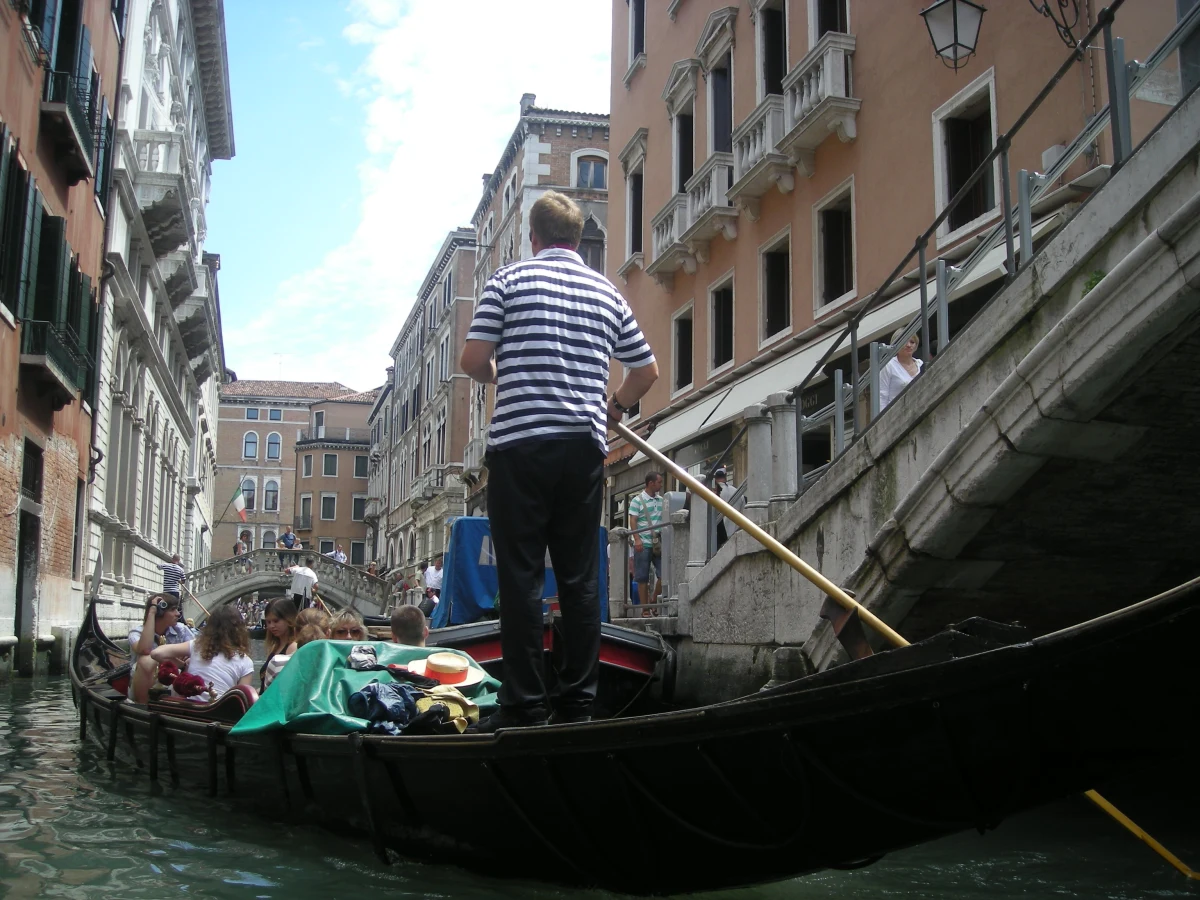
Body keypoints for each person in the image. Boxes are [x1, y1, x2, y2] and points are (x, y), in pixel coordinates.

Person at [460, 189, 658, 731]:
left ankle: (523, 705)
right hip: (583, 448)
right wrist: (614, 405)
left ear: (534, 238)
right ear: (576, 240)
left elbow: (473, 359)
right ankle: (578, 704)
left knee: (522, 577)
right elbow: (646, 372)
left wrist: (503, 375)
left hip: (520, 446)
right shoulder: (607, 293)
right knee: (578, 577)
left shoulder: (507, 282)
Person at [151, 604, 254, 703]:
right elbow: (242, 699)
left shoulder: (196, 646)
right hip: (220, 713)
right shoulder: (246, 662)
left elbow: (156, 653)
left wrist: (183, 666)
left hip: (189, 708)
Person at [128, 593, 196, 704]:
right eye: (173, 610)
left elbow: (197, 651)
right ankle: (143, 707)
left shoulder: (181, 630)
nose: (178, 614)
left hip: (174, 681)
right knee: (147, 660)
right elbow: (145, 650)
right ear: (160, 612)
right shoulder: (136, 633)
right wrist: (152, 612)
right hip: (144, 683)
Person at [628, 473, 664, 616]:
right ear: (651, 483)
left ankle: (653, 599)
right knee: (642, 577)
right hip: (643, 542)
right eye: (659, 482)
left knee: (664, 574)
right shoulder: (637, 500)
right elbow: (633, 520)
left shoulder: (662, 500)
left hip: (659, 543)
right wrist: (637, 539)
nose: (661, 485)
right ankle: (645, 608)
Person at [878, 327, 923, 410]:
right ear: (896, 343)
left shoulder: (921, 365)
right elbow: (882, 396)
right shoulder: (888, 365)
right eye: (905, 341)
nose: (909, 345)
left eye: (912, 342)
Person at [260, 598, 298, 689]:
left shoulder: (293, 647)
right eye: (268, 622)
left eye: (276, 621)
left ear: (289, 620)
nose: (271, 626)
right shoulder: (275, 647)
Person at [711, 467, 735, 550]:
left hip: (718, 539)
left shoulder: (710, 494)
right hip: (734, 536)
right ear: (726, 475)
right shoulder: (737, 492)